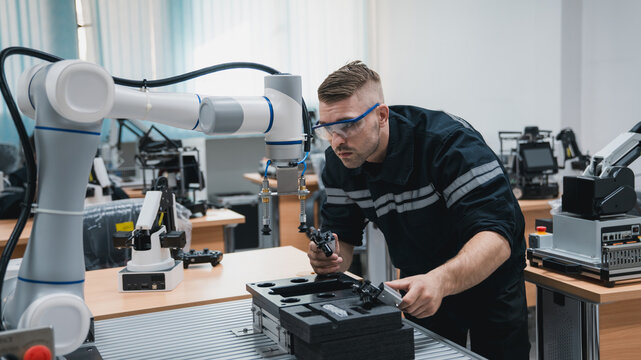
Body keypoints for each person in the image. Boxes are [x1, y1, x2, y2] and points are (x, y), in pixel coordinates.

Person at [308, 61, 530, 359]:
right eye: (328, 128)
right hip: (420, 280)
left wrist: (441, 280)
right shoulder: (342, 161)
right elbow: (343, 240)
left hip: (488, 278)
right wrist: (330, 258)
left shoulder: (448, 145)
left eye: (349, 125)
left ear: (381, 116)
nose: (337, 141)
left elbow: (496, 238)